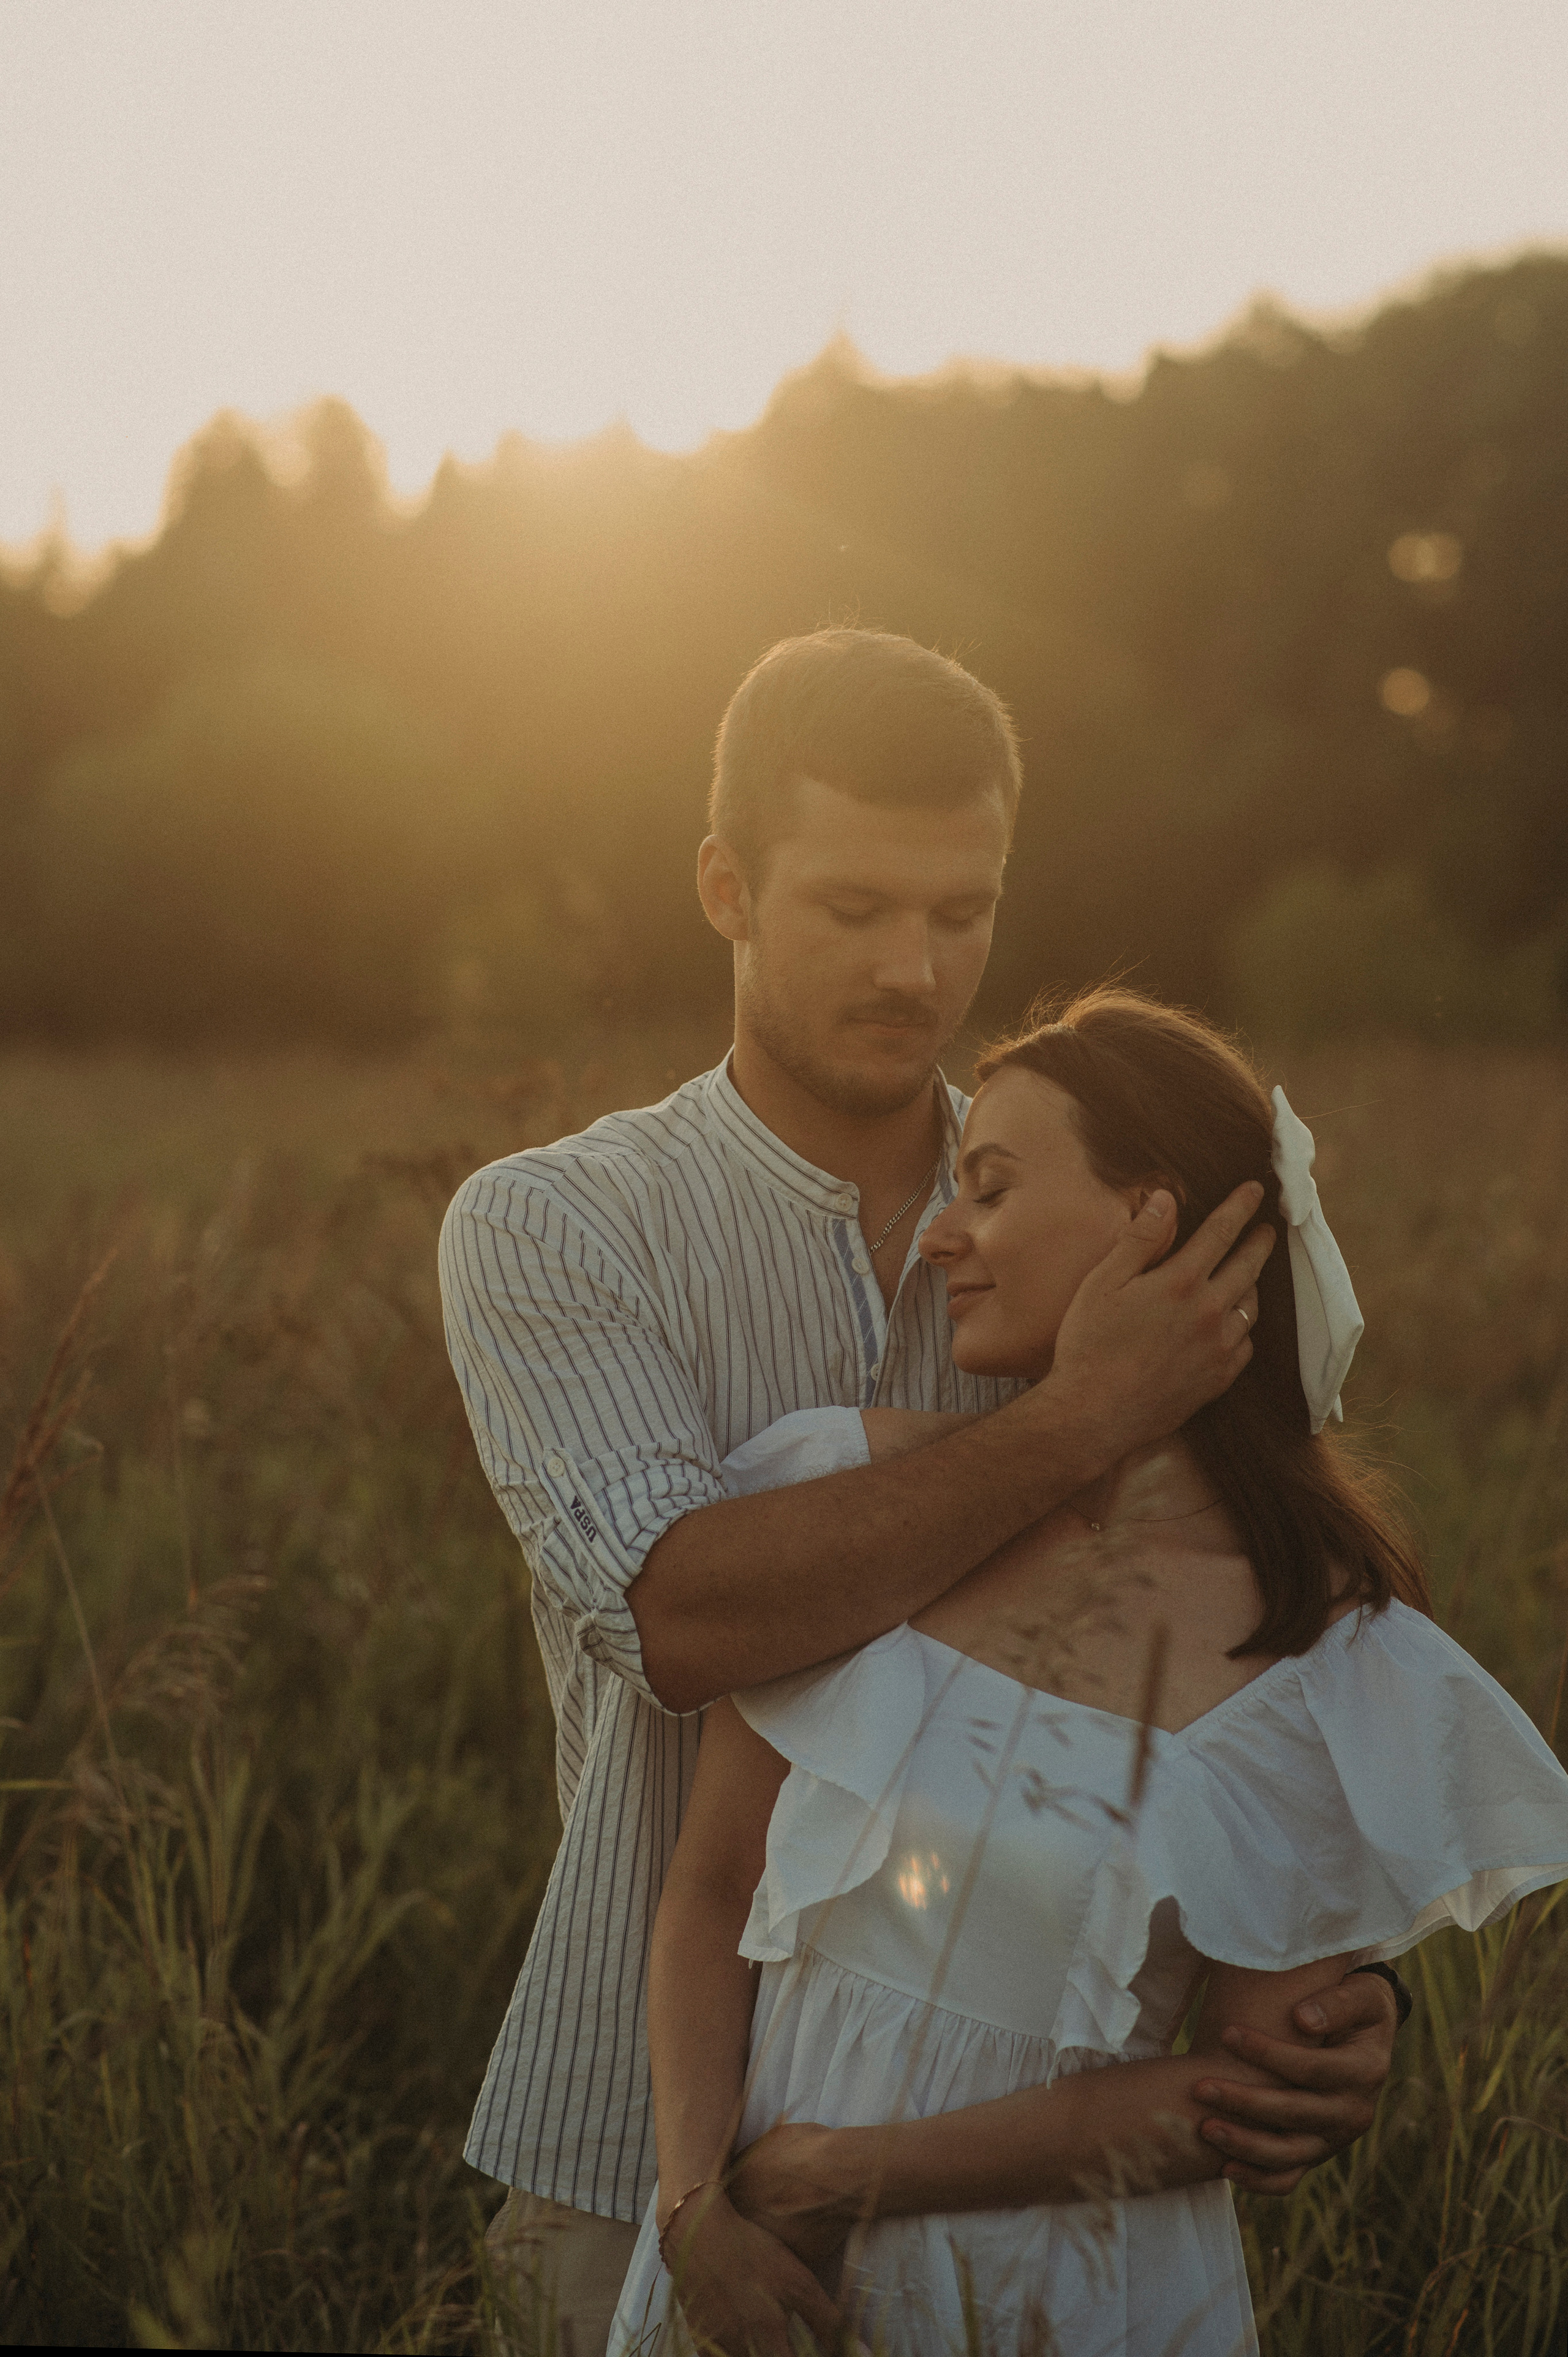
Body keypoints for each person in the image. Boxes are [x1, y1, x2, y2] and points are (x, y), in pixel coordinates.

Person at [440, 630, 1403, 2354]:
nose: (917, 965)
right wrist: (1081, 1417)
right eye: (854, 907)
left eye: (963, 910)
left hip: (1024, 2151)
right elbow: (682, 1617)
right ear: (726, 889)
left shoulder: (1090, 1200)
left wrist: (1331, 1984)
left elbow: (1251, 1601)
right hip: (634, 2136)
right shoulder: (555, 1226)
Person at [610, 987, 1568, 2357]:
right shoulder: (853, 1497)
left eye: (991, 1187)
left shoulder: (1324, 1653)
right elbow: (709, 1887)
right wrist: (695, 2206)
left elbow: (1247, 2098)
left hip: (1057, 2294)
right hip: (744, 2269)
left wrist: (839, 2174)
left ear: (1150, 1223)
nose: (941, 1235)